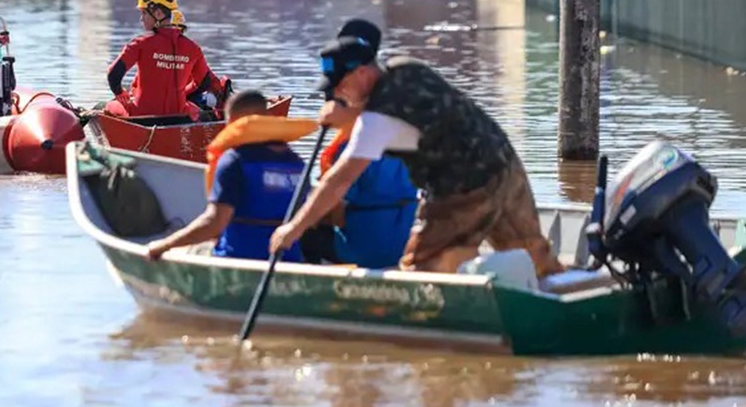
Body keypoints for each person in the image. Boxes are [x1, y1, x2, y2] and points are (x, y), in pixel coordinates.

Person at [269, 19, 565, 278]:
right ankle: (563, 295)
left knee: (418, 268)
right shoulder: (407, 67)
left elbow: (338, 181)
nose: (336, 94)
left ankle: (437, 324)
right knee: (532, 253)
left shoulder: (375, 122)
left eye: (339, 85)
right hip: (503, 163)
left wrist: (293, 229)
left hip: (464, 187)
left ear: (361, 74)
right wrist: (349, 116)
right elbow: (411, 114)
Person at [296, 19, 422, 269]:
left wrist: (300, 220)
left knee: (303, 229)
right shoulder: (405, 134)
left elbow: (337, 209)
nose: (338, 96)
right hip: (408, 240)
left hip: (366, 249)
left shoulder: (350, 149)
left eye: (340, 89)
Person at [145, 90, 316, 262]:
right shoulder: (298, 164)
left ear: (233, 123)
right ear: (267, 117)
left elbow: (214, 224)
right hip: (288, 259)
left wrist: (163, 245)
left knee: (182, 251)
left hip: (236, 257)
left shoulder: (234, 161)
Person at [105, 0, 222, 120]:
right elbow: (204, 83)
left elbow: (113, 75)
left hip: (141, 116)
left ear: (158, 13)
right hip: (179, 116)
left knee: (108, 106)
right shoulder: (193, 48)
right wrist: (183, 93)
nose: (141, 19)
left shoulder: (140, 43)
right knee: (197, 110)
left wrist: (120, 94)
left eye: (144, 13)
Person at [167, 9, 235, 118]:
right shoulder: (155, 51)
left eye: (180, 32)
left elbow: (207, 78)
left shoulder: (190, 51)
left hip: (190, 99)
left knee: (207, 101)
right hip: (173, 102)